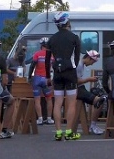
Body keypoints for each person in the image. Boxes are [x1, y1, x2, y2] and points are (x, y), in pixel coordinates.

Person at [46, 11, 82, 141]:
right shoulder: (74, 38)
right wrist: (72, 68)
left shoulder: (52, 39)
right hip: (70, 72)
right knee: (71, 103)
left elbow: (47, 59)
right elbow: (77, 58)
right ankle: (69, 132)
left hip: (57, 73)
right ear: (67, 22)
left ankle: (58, 132)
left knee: (58, 103)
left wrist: (47, 76)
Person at [74, 50, 108, 135]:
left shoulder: (80, 64)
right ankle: (93, 125)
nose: (92, 64)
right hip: (76, 90)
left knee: (99, 94)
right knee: (101, 99)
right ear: (89, 58)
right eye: (92, 61)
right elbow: (75, 82)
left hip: (80, 88)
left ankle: (92, 124)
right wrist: (89, 79)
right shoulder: (79, 66)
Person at [27, 37, 54, 125]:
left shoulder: (37, 54)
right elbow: (54, 67)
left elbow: (32, 66)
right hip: (47, 78)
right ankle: (49, 118)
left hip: (37, 78)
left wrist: (29, 77)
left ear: (41, 45)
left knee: (37, 100)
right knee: (49, 99)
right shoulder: (52, 55)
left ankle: (40, 119)